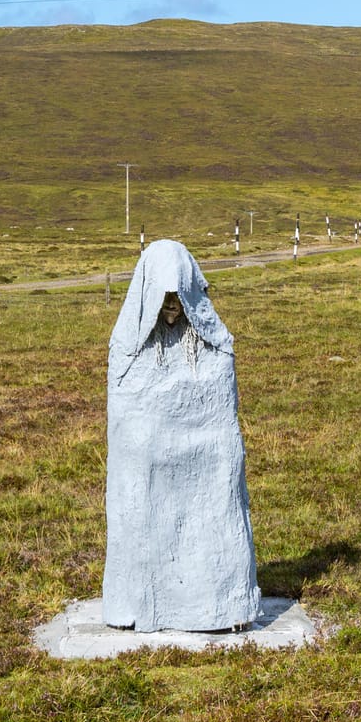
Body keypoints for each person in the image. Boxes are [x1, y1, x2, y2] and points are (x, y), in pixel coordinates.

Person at [102, 239, 260, 632]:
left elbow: (220, 405)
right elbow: (126, 408)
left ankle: (220, 604)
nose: (171, 306)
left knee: (213, 506)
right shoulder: (128, 347)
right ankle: (138, 605)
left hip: (202, 454)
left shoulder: (214, 346)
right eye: (163, 297)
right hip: (148, 461)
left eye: (178, 297)